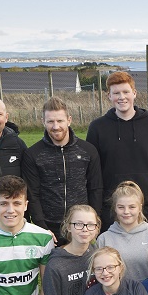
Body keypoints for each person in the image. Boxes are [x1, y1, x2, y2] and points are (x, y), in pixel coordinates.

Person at [87, 71, 148, 238]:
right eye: (116, 93)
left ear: (134, 93)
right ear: (108, 96)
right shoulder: (97, 128)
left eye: (126, 92)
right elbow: (93, 172)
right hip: (113, 208)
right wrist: (99, 208)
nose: (121, 97)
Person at [23, 96, 103, 243]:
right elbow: (32, 194)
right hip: (49, 229)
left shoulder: (88, 151)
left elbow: (95, 188)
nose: (55, 126)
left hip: (82, 227)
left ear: (69, 120)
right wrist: (42, 227)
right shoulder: (33, 154)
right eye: (50, 121)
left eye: (60, 121)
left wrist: (94, 222)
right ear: (43, 122)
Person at [96, 181, 148, 283]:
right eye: (121, 207)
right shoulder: (104, 239)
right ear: (115, 208)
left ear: (140, 207)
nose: (126, 211)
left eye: (132, 207)